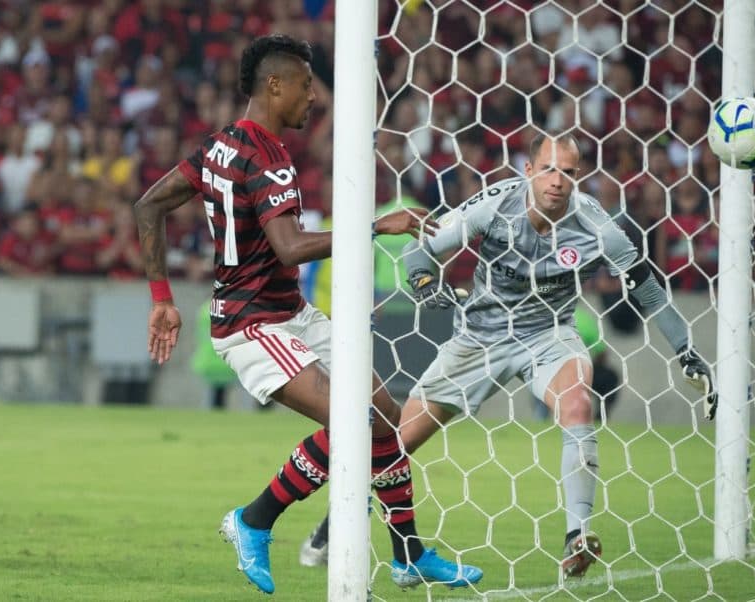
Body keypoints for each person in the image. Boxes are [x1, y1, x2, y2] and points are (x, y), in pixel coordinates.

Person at [132, 34, 483, 594]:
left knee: (383, 418)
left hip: (287, 312)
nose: (313, 97)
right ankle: (254, 520)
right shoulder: (267, 159)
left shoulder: (221, 144)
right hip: (254, 325)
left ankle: (409, 555)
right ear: (274, 84)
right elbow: (290, 247)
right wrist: (373, 225)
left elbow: (148, 203)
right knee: (353, 424)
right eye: (305, 84)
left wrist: (161, 299)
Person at [299, 130, 718, 579]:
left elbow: (650, 290)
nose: (558, 180)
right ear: (529, 171)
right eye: (549, 169)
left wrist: (685, 350)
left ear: (580, 178)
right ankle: (330, 526)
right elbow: (421, 248)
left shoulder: (598, 226)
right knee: (396, 444)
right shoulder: (493, 205)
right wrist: (424, 283)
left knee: (579, 403)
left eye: (569, 172)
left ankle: (576, 536)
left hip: (548, 335)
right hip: (479, 338)